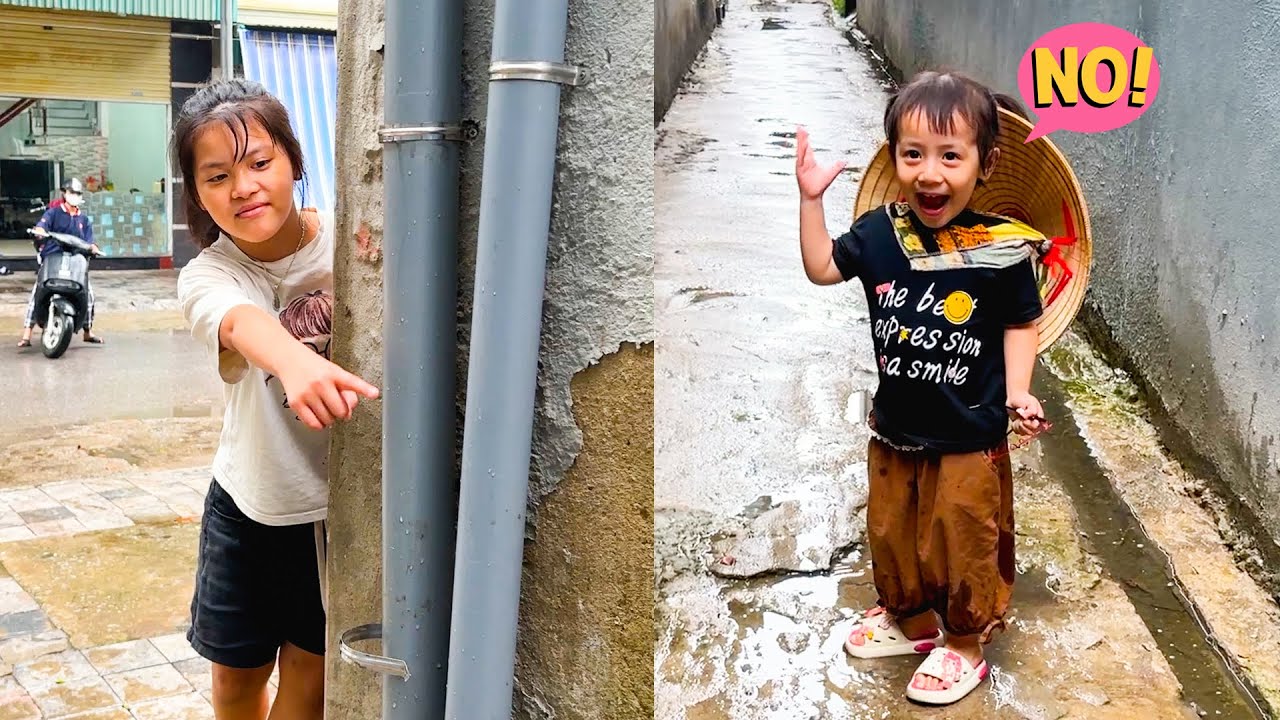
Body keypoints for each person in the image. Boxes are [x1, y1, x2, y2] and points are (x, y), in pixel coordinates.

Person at [794, 70, 1047, 705]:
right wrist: (809, 201)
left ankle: (963, 644)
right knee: (894, 530)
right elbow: (823, 268)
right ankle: (909, 620)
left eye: (950, 156)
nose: (930, 173)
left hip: (969, 432)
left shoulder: (1001, 249)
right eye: (914, 154)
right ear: (895, 158)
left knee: (963, 536)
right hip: (897, 427)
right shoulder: (881, 233)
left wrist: (1019, 391)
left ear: (984, 164)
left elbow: (1022, 323)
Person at [173, 79, 379, 719]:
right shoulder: (209, 273)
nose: (243, 188)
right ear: (200, 195)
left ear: (293, 159)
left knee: (310, 682)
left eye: (260, 163)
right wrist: (294, 362)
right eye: (217, 177)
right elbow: (238, 321)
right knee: (237, 682)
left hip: (335, 519)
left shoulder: (354, 243)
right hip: (251, 504)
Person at [19, 177, 102, 348]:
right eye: (72, 192)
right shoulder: (53, 213)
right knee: (38, 290)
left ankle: (87, 331)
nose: (75, 196)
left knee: (89, 295)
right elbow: (42, 226)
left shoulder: (84, 220)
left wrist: (93, 247)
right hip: (54, 257)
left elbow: (90, 241)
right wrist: (40, 231)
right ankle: (27, 334)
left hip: (75, 262)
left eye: (78, 193)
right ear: (64, 193)